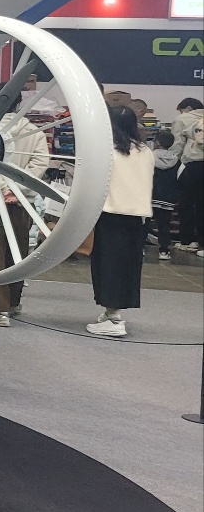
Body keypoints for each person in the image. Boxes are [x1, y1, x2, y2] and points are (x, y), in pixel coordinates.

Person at [0, 84, 49, 327]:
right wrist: (17, 190)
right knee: (17, 253)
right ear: (19, 103)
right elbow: (40, 164)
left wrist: (4, 188)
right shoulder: (34, 132)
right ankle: (14, 303)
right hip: (22, 202)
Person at [87, 106, 155, 338]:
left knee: (107, 264)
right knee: (128, 266)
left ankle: (113, 317)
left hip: (110, 213)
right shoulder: (145, 151)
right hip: (139, 217)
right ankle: (112, 313)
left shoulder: (107, 150)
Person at [171, 98, 204, 253]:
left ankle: (186, 240)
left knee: (186, 204)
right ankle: (201, 243)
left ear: (188, 108)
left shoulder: (183, 119)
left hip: (192, 165)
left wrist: (171, 163)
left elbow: (177, 144)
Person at [150, 129, 180, 260]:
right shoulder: (177, 161)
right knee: (164, 225)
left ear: (157, 142)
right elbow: (180, 179)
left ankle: (140, 248)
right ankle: (164, 251)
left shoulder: (150, 157)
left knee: (145, 223)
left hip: (152, 196)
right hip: (168, 198)